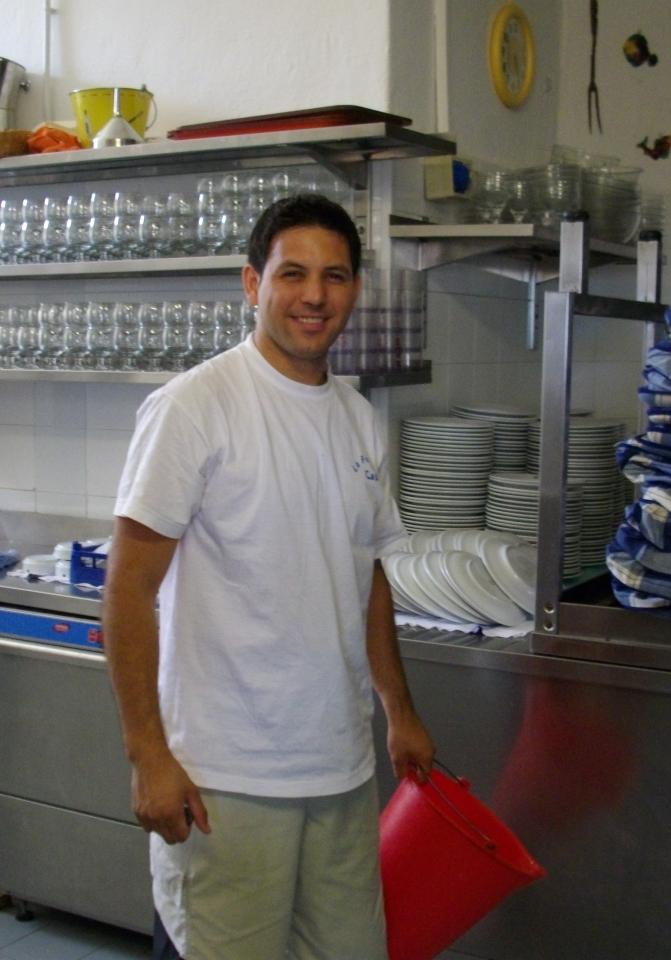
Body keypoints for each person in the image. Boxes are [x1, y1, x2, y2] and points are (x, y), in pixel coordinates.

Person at [103, 193, 435, 960]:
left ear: (355, 289)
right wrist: (148, 756)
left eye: (334, 276)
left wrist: (399, 710)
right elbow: (127, 589)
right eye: (293, 274)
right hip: (227, 779)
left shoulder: (358, 417)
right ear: (253, 284)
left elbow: (364, 574)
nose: (314, 295)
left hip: (340, 768)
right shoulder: (196, 406)